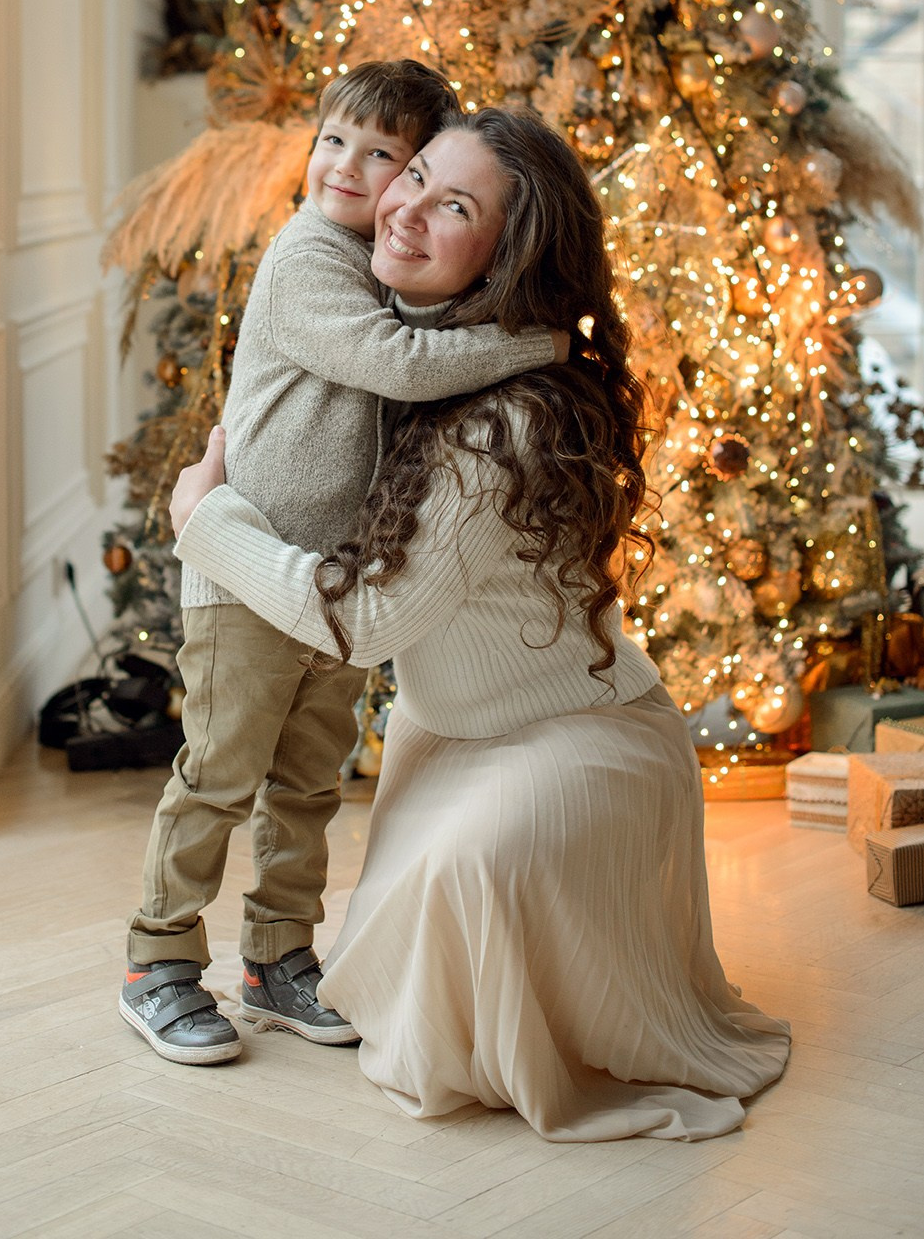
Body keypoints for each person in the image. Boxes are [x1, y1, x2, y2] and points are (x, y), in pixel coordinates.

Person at [170, 106, 791, 1141]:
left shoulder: (501, 414)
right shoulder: (404, 355)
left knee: (462, 917)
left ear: (507, 255)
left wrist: (209, 521)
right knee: (398, 982)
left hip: (577, 742)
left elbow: (366, 621)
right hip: (451, 742)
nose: (401, 207)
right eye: (411, 174)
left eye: (452, 205)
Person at [120, 64, 566, 1067]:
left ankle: (277, 958)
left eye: (385, 158)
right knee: (218, 775)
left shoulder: (384, 257)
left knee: (307, 783)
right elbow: (397, 366)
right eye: (335, 141)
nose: (350, 170)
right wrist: (537, 345)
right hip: (244, 572)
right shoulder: (308, 254)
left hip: (332, 584)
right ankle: (158, 962)